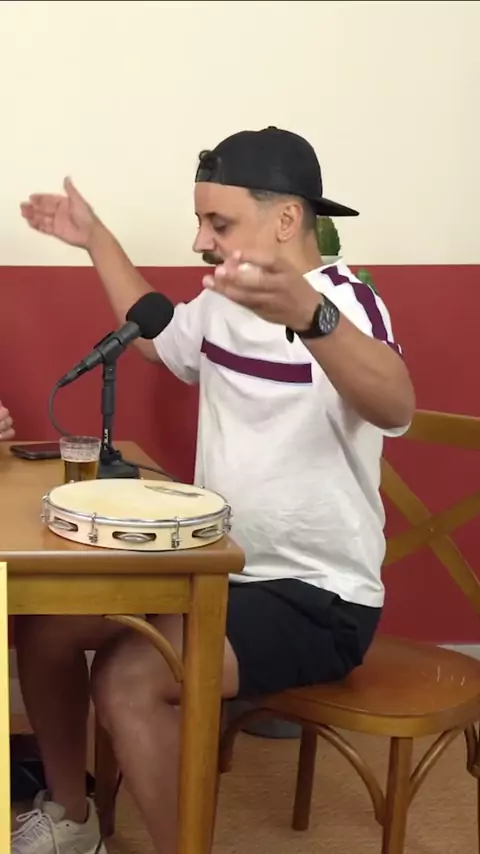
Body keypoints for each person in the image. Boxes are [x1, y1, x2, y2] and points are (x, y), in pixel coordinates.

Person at [15, 126, 415, 854]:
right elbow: (154, 334)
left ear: (286, 219)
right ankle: (72, 819)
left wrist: (311, 318)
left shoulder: (347, 305)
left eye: (217, 223)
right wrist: (95, 237)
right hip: (209, 572)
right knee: (46, 627)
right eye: (200, 220)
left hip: (315, 596)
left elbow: (396, 405)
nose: (200, 240)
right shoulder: (224, 300)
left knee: (129, 678)